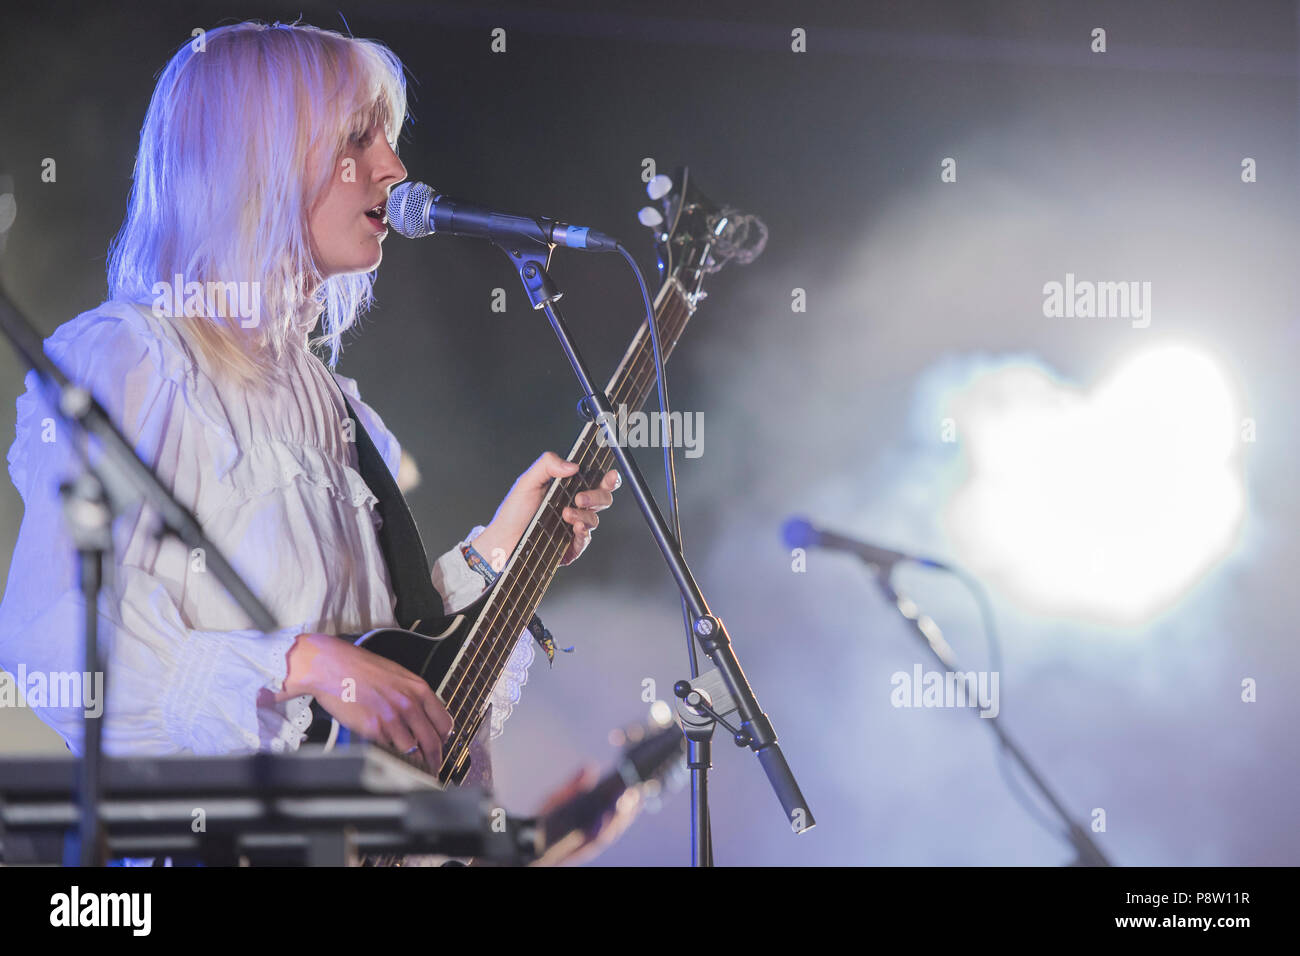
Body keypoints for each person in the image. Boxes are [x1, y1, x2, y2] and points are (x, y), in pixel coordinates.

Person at [0, 21, 623, 860]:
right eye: (357, 139)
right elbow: (55, 639)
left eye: (391, 141)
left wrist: (500, 552)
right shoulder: (135, 359)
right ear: (255, 158)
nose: (395, 169)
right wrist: (300, 664)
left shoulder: (341, 414)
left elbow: (385, 666)